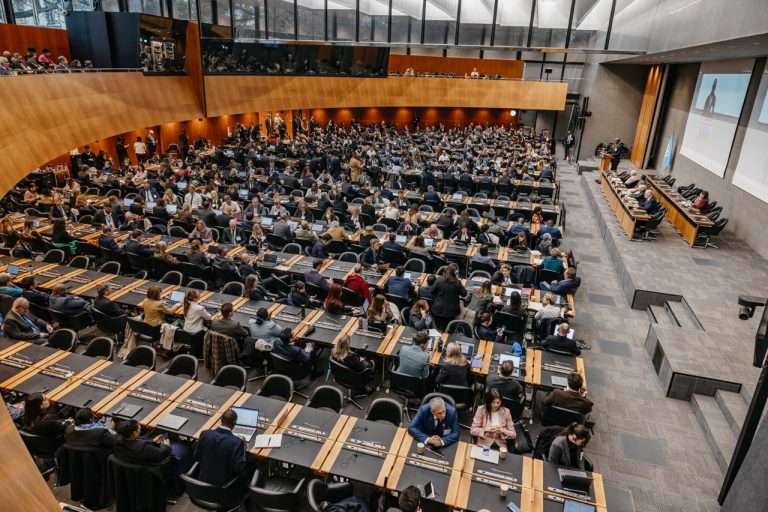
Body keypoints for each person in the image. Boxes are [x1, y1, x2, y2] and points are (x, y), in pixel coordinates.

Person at [113, 418, 191, 492]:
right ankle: (179, 485)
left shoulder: (117, 441)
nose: (140, 430)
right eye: (139, 429)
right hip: (154, 471)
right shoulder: (143, 448)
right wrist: (166, 446)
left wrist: (151, 442)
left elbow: (139, 445)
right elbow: (160, 455)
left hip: (132, 469)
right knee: (183, 448)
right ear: (134, 433)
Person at [194, 409, 247, 486]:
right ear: (234, 423)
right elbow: (239, 469)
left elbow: (196, 457)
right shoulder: (237, 443)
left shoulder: (204, 434)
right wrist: (244, 450)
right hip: (223, 489)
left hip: (202, 483)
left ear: (220, 420)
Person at [429, 264, 466, 330]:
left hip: (438, 309)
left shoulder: (439, 280)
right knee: (447, 330)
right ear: (455, 273)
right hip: (451, 312)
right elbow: (464, 294)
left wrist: (438, 298)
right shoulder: (457, 282)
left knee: (436, 329)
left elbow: (431, 291)